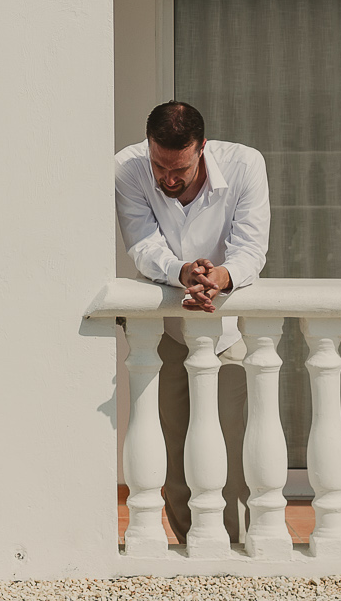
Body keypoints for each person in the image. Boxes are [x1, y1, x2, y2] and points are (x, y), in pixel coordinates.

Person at [113, 100, 270, 546]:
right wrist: (183, 271)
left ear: (202, 148)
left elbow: (251, 248)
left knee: (236, 456)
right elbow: (141, 244)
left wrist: (221, 276)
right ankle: (193, 551)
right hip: (164, 337)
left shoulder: (245, 165)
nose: (167, 178)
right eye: (160, 165)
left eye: (178, 168)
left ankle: (238, 556)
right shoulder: (128, 168)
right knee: (175, 457)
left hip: (230, 331)